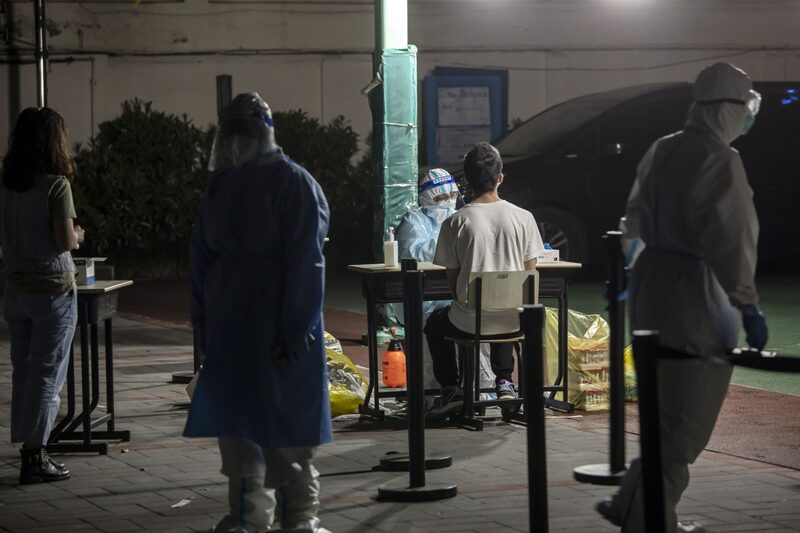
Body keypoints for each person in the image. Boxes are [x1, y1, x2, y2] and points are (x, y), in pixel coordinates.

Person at [596, 63, 768, 533]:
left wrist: (629, 268)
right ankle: (647, 517)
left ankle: (634, 500)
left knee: (661, 409)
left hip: (651, 284)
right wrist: (747, 301)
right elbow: (732, 238)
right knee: (686, 417)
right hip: (697, 296)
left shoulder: (664, 148)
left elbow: (633, 216)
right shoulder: (720, 159)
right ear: (728, 109)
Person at [183, 93, 332, 533]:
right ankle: (248, 517)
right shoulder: (222, 185)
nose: (235, 143)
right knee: (238, 429)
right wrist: (203, 323)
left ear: (263, 134)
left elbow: (307, 264)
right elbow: (199, 257)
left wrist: (296, 328)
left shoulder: (294, 183)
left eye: (243, 133)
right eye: (230, 134)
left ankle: (298, 518)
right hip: (232, 324)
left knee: (287, 432)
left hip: (277, 325)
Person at [424, 142, 544, 419]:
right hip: (514, 321)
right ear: (500, 178)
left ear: (466, 180)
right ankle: (505, 382)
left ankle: (452, 390)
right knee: (506, 308)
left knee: (435, 324)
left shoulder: (455, 222)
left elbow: (453, 286)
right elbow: (529, 276)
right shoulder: (524, 218)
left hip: (468, 323)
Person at [0, 107, 85, 484]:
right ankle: (36, 455)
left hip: (15, 289)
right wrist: (79, 235)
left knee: (23, 370)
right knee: (47, 374)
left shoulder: (6, 186)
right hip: (52, 292)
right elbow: (64, 240)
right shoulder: (56, 185)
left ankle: (27, 445)